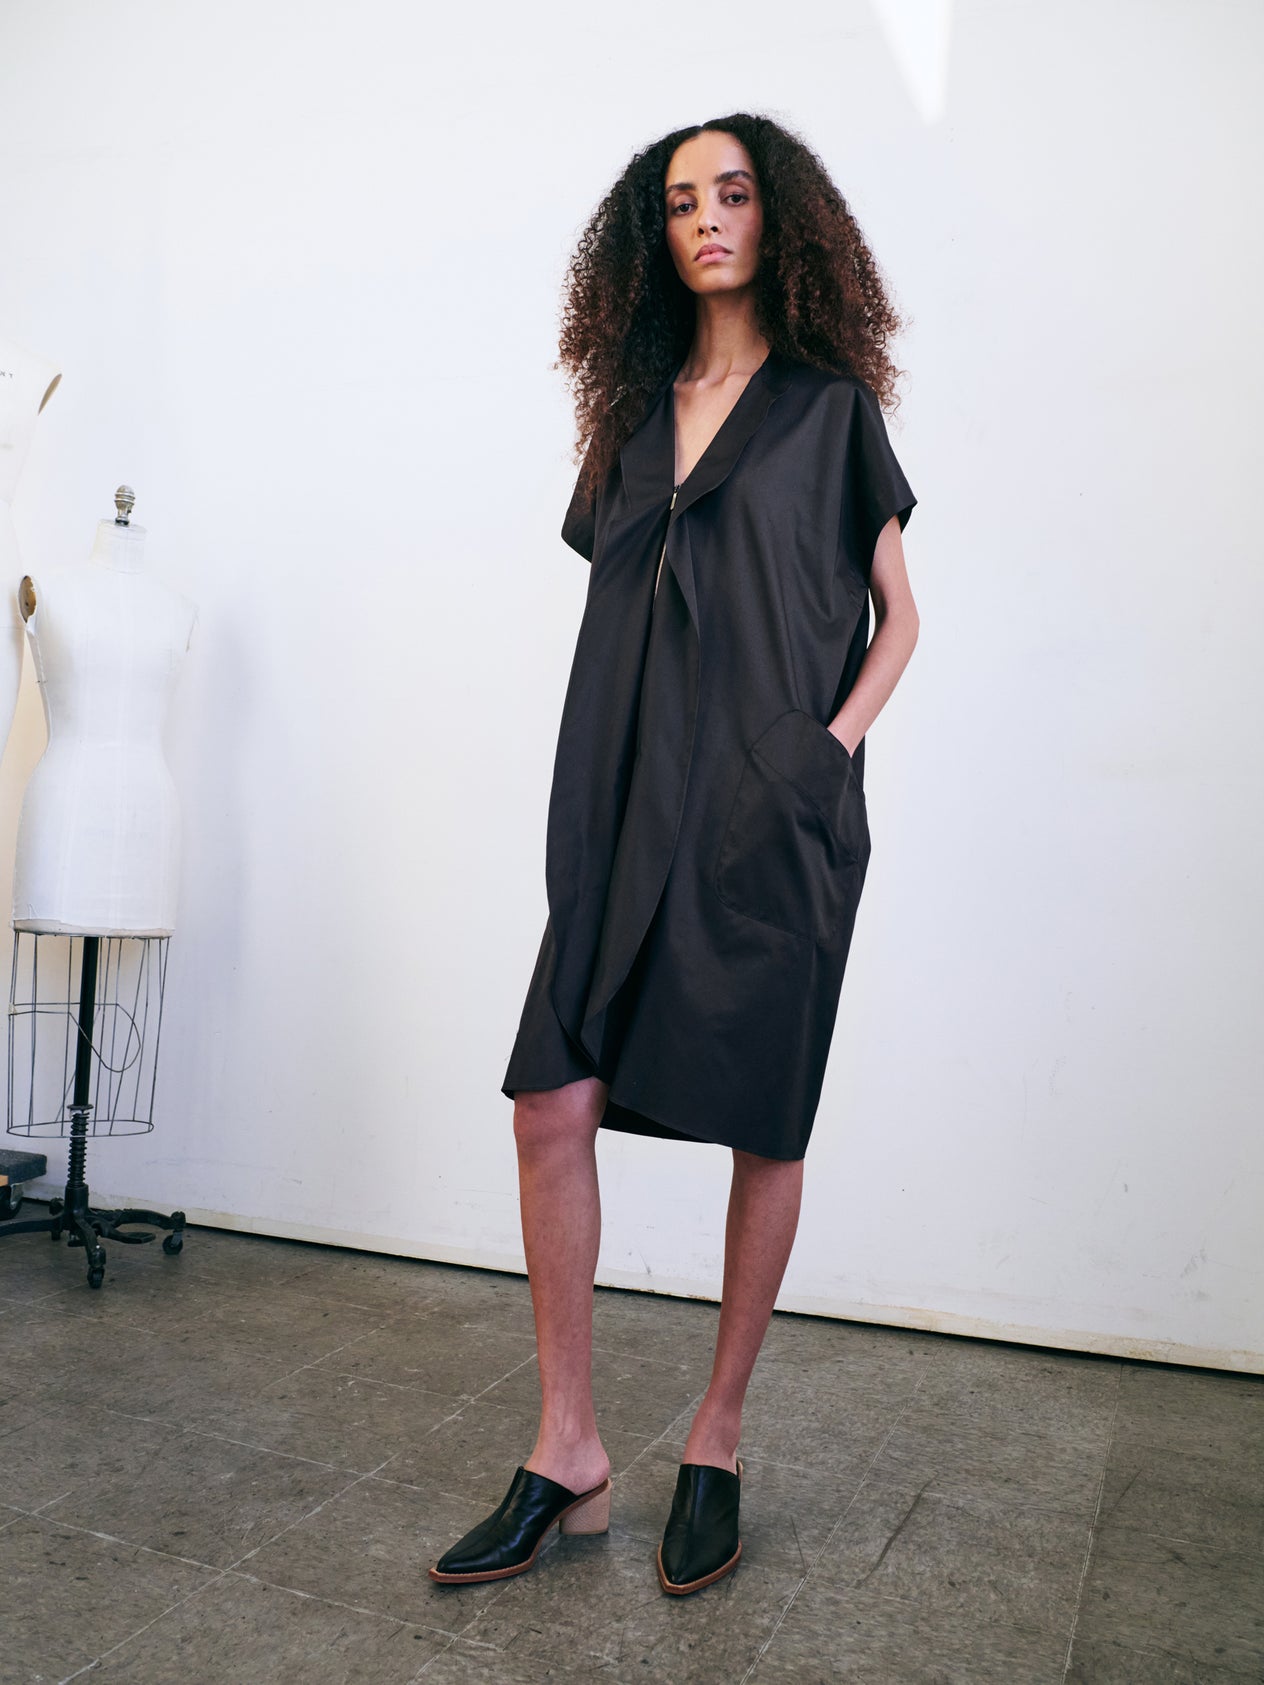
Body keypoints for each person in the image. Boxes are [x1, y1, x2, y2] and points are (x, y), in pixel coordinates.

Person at [430, 111, 920, 1597]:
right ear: (654, 239)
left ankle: (715, 1438)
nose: (708, 219)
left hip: (770, 819)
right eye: (681, 203)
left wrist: (819, 755)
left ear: (785, 220)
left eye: (735, 194)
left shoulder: (833, 413)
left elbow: (903, 618)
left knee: (764, 1124)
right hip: (621, 808)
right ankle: (568, 1444)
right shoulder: (632, 420)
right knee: (547, 1102)